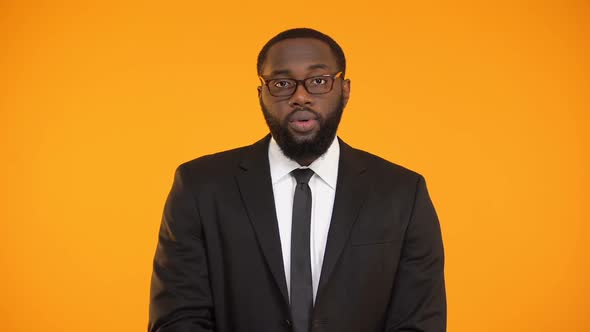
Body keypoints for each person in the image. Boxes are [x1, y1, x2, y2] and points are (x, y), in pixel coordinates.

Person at [148, 28, 446, 332]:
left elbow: (420, 322)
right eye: (281, 83)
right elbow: (177, 319)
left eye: (318, 81)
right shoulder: (200, 187)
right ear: (261, 94)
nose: (300, 96)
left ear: (344, 90)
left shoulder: (403, 193)